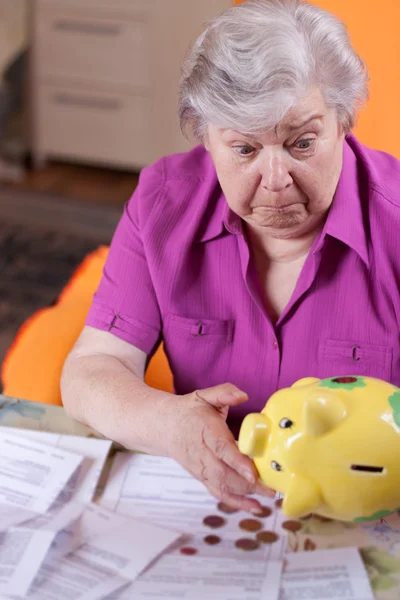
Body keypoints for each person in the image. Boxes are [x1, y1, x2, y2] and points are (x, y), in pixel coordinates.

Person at [61, 0, 400, 513]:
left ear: (343, 122)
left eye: (301, 143)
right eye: (244, 149)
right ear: (206, 136)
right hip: (211, 511)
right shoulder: (163, 205)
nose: (276, 179)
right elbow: (92, 370)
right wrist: (167, 422)